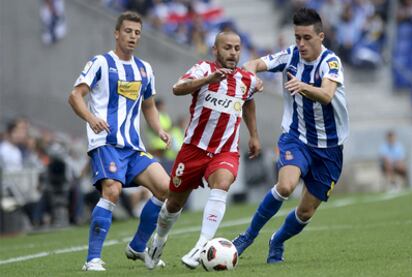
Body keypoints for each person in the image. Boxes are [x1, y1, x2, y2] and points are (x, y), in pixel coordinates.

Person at [232, 7, 349, 264]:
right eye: (297, 37)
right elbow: (253, 63)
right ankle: (247, 237)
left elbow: (327, 95)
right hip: (296, 137)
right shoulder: (290, 56)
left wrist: (303, 86)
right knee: (285, 185)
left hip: (329, 148)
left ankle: (277, 241)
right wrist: (251, 77)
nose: (301, 43)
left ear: (321, 37)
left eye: (307, 37)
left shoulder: (331, 62)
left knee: (305, 212)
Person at [146, 30, 263, 269]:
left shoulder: (246, 79)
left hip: (225, 151)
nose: (233, 53)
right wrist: (207, 81)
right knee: (173, 204)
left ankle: (202, 244)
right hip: (193, 150)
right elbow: (177, 88)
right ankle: (159, 239)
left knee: (222, 185)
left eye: (237, 48)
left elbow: (249, 102)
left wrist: (254, 135)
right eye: (227, 48)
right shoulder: (202, 69)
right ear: (215, 50)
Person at [68, 11, 171, 271]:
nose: (133, 36)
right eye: (128, 31)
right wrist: (91, 119)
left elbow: (149, 106)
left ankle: (137, 247)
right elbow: (75, 96)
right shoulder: (100, 63)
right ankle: (92, 259)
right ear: (117, 33)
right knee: (111, 190)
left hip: (133, 146)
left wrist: (158, 130)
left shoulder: (145, 69)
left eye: (137, 32)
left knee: (166, 187)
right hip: (106, 142)